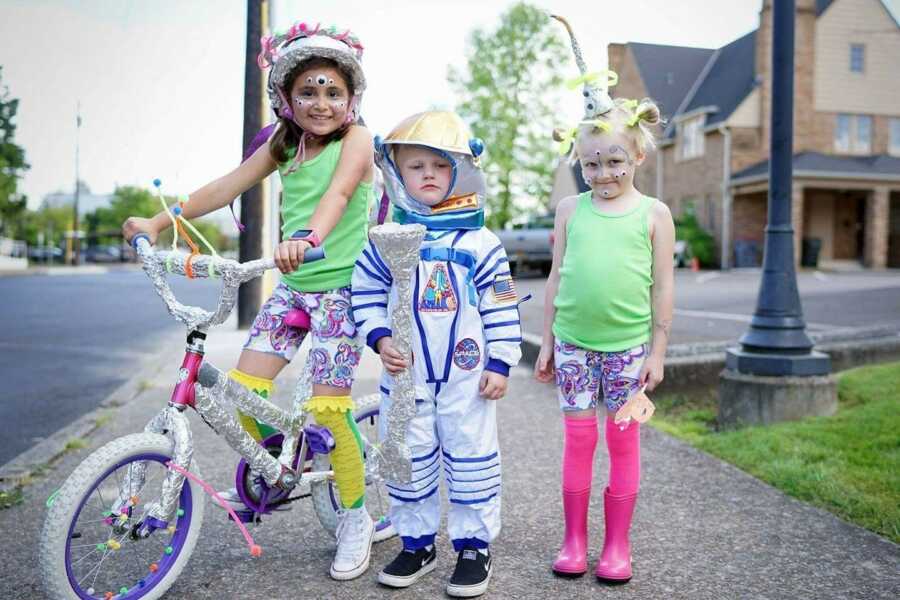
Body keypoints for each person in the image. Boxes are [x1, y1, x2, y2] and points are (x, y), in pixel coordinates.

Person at [122, 21, 377, 581]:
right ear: (285, 97)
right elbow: (228, 185)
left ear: (351, 97)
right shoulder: (285, 144)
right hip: (291, 290)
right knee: (241, 392)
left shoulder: (357, 141)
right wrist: (159, 220)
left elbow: (336, 195)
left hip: (341, 292)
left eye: (333, 91)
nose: (321, 103)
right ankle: (288, 460)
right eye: (308, 91)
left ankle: (354, 516)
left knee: (331, 414)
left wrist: (309, 238)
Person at [351, 111, 522, 597]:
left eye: (439, 165)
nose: (427, 174)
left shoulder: (481, 243)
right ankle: (417, 543)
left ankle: (473, 546)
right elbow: (363, 293)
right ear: (397, 173)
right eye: (415, 166)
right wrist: (381, 338)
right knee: (408, 456)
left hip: (467, 378)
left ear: (460, 171)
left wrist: (501, 361)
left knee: (471, 457)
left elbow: (501, 303)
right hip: (405, 377)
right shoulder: (385, 239)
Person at [534, 15, 675, 584]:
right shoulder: (571, 211)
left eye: (615, 160)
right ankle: (574, 540)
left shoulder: (653, 214)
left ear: (638, 156)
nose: (603, 172)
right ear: (579, 162)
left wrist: (657, 352)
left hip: (625, 352)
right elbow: (555, 280)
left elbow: (663, 287)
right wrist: (545, 342)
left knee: (622, 446)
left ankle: (617, 547)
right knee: (577, 443)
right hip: (572, 346)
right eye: (591, 163)